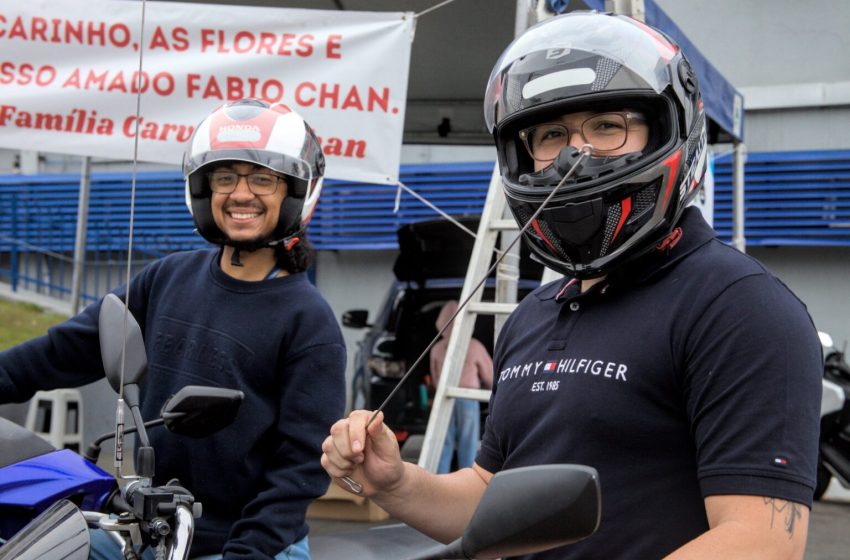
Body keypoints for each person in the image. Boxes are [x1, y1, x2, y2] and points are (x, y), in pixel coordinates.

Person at [321, 12, 823, 559]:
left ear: (666, 130)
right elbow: (495, 501)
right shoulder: (535, 315)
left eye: (607, 126)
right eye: (551, 135)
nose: (573, 155)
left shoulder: (738, 306)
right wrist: (397, 483)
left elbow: (761, 539)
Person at [0, 99, 346, 559]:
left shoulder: (308, 320)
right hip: (148, 528)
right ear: (204, 190)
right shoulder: (166, 278)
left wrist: (248, 550)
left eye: (263, 178)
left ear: (295, 193)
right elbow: (65, 351)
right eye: (226, 177)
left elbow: (302, 464)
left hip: (244, 544)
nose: (241, 194)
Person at [429, 300, 493, 473]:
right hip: (468, 398)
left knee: (444, 441)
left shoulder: (436, 348)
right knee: (468, 442)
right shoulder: (474, 345)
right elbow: (490, 375)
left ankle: (440, 478)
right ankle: (467, 478)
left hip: (444, 398)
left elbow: (435, 377)